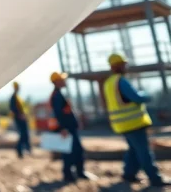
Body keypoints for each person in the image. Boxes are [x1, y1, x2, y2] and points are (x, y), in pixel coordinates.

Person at [103, 53, 170, 186]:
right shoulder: (120, 81)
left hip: (121, 124)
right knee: (143, 151)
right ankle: (155, 178)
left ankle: (129, 174)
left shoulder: (108, 83)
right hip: (133, 123)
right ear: (118, 65)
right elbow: (137, 97)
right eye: (123, 64)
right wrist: (145, 95)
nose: (125, 66)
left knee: (133, 150)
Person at [49, 72, 87, 182]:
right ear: (56, 82)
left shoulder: (58, 94)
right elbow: (58, 114)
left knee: (73, 151)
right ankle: (70, 174)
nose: (64, 81)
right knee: (71, 152)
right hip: (67, 129)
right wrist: (63, 129)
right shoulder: (56, 95)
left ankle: (75, 174)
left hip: (69, 128)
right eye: (62, 79)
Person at [10, 81, 31, 158]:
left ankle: (24, 150)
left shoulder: (17, 97)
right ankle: (19, 151)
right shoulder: (14, 97)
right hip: (19, 119)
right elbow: (13, 109)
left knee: (24, 135)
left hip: (22, 119)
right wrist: (20, 116)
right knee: (22, 135)